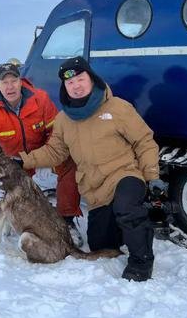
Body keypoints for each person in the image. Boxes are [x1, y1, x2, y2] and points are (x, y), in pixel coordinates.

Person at [17, 56, 166, 282]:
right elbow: (55, 153)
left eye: (80, 79)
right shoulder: (64, 119)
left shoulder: (118, 108)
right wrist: (23, 160)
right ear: (65, 87)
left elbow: (144, 141)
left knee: (127, 208)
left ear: (91, 78)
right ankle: (123, 226)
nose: (76, 86)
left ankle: (141, 260)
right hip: (94, 186)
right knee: (101, 244)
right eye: (70, 83)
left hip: (124, 174)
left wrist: (152, 176)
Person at [0, 61, 83, 246]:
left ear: (21, 81)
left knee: (69, 162)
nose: (10, 86)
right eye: (5, 82)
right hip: (11, 167)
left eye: (14, 80)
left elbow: (56, 134)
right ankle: (22, 221)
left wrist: (48, 158)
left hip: (40, 157)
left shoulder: (41, 99)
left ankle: (67, 220)